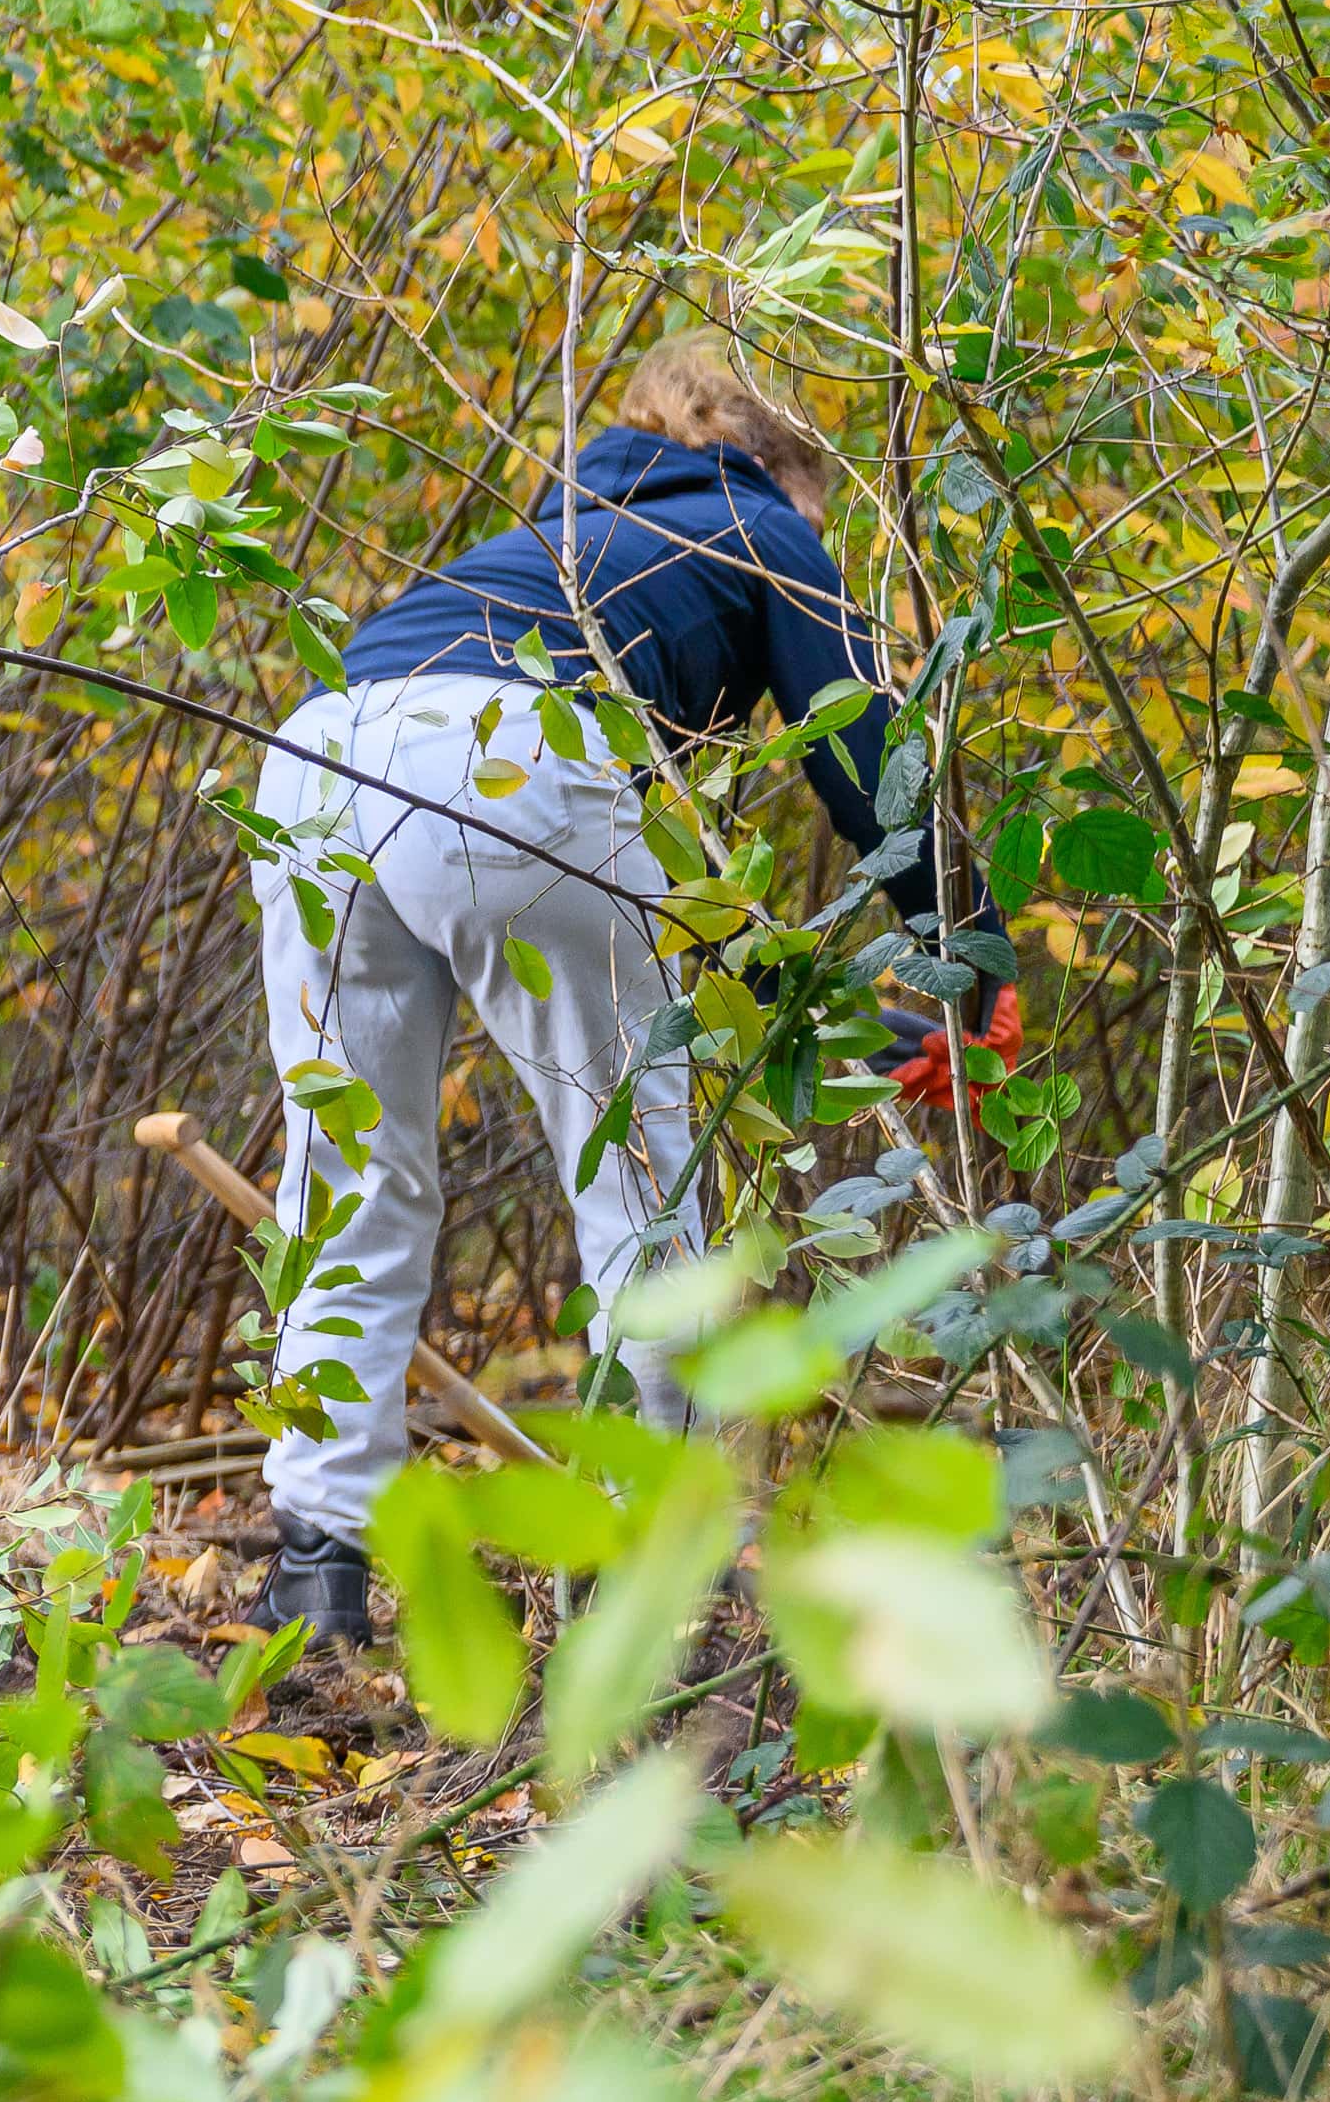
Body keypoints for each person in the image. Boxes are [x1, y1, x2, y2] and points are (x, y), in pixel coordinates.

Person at [247, 336, 1016, 1649]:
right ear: (769, 460)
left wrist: (833, 1017)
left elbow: (669, 899)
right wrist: (974, 957)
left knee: (351, 1176)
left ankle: (316, 1573)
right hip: (509, 750)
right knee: (641, 1183)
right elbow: (861, 747)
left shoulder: (557, 539)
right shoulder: (758, 520)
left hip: (318, 752)